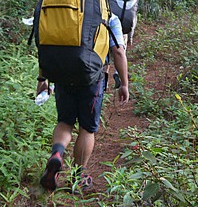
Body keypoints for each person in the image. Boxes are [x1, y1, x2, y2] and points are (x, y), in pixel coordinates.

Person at [37, 13, 129, 192]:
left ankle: (57, 153)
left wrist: (42, 78)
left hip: (63, 74)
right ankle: (78, 176)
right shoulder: (109, 16)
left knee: (65, 122)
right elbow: (118, 50)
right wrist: (124, 83)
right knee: (87, 128)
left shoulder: (66, 12)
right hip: (92, 78)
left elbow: (47, 43)